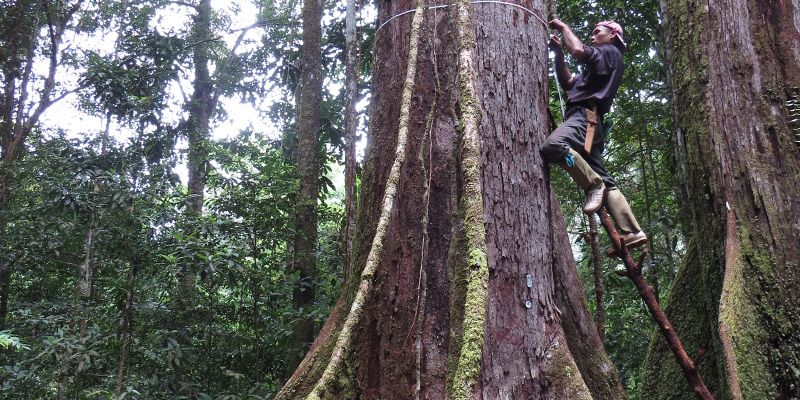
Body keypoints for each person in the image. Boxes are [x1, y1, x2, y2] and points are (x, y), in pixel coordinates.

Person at [542, 19, 647, 252]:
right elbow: (567, 82)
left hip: (584, 117)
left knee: (553, 146)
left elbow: (579, 50)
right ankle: (632, 231)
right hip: (590, 124)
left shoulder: (609, 52)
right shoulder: (598, 70)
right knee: (607, 181)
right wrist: (558, 54)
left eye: (596, 31)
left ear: (612, 36)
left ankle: (592, 185)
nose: (592, 36)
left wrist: (564, 27)